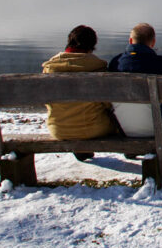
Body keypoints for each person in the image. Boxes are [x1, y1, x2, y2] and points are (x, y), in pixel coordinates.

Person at [108, 23, 162, 167]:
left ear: (130, 41)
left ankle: (133, 149)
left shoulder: (116, 63)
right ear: (153, 42)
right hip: (155, 125)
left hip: (123, 124)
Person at [41, 25, 116, 162]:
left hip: (58, 129)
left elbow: (47, 100)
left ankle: (81, 149)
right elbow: (108, 103)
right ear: (92, 46)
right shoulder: (98, 68)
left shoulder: (50, 68)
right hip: (94, 128)